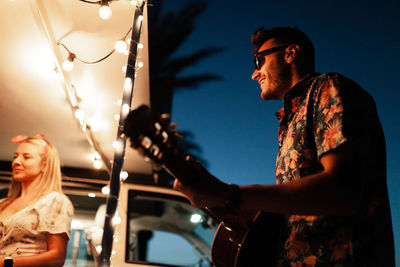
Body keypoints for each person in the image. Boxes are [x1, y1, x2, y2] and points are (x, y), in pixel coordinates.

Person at [173, 27, 395, 266]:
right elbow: (301, 210)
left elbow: (343, 190)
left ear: (290, 53)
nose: (254, 74)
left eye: (260, 60)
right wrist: (246, 208)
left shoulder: (328, 87)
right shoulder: (290, 119)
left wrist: (231, 195)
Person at [0, 134, 74, 267]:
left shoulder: (54, 201)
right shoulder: (3, 203)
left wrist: (6, 263)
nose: (16, 162)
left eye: (26, 157)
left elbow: (57, 257)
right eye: (15, 156)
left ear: (44, 165)